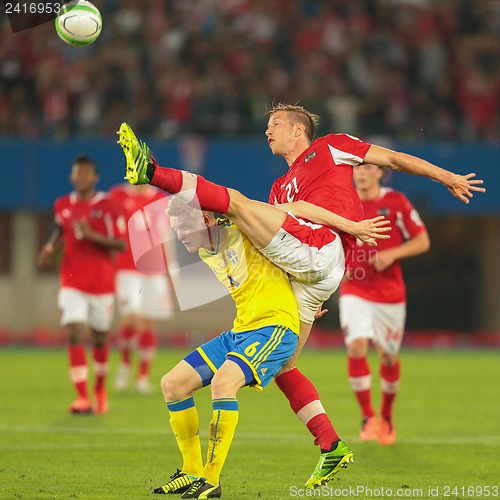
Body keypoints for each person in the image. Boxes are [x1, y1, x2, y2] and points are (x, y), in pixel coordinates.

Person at [117, 104, 484, 483]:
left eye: (275, 124)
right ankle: (331, 445)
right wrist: (305, 291)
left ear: (299, 131)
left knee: (239, 203)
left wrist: (447, 176)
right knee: (285, 365)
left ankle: (154, 173)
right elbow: (287, 223)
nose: (267, 132)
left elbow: (390, 157)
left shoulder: (331, 147)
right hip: (310, 271)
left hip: (323, 248)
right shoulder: (279, 188)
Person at [152, 197, 304, 498]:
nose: (179, 234)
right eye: (175, 228)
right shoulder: (207, 249)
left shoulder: (238, 226)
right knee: (172, 384)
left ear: (206, 219)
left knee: (222, 383)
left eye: (183, 226)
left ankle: (211, 479)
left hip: (275, 328)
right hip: (240, 332)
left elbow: (247, 209)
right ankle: (191, 470)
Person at [339, 164, 430, 445]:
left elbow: (422, 241)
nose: (362, 172)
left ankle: (387, 415)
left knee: (388, 356)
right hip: (355, 288)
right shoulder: (344, 202)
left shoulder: (395, 202)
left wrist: (393, 253)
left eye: (368, 168)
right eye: (357, 167)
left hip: (390, 294)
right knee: (357, 346)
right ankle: (368, 416)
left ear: (381, 173)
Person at [38, 154, 126, 414]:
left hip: (101, 282)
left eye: (86, 173)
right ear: (72, 177)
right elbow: (60, 230)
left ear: (95, 178)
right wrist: (49, 248)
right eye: (78, 173)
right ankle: (81, 397)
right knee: (74, 330)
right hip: (71, 280)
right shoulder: (62, 204)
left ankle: (99, 388)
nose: (81, 177)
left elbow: (120, 243)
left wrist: (92, 235)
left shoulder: (108, 206)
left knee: (99, 339)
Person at [109, 183, 178, 394]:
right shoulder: (117, 195)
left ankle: (142, 376)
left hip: (155, 267)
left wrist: (173, 268)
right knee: (132, 317)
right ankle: (125, 363)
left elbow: (166, 234)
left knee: (149, 321)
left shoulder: (160, 198)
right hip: (127, 267)